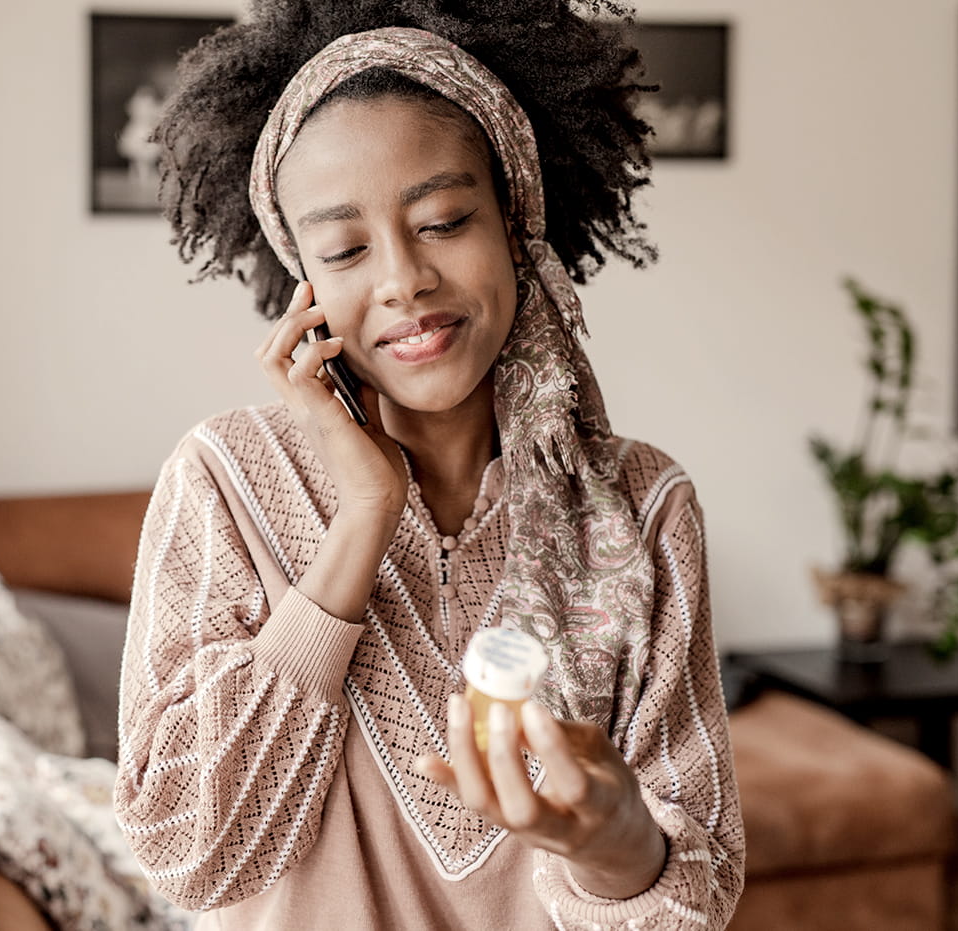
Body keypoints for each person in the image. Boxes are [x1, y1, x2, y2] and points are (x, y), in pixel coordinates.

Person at [112, 2, 745, 928]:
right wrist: (363, 515)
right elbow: (190, 849)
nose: (403, 277)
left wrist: (613, 844)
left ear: (516, 224)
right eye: (345, 249)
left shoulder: (645, 507)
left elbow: (698, 889)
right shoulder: (220, 479)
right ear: (305, 283)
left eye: (445, 220)